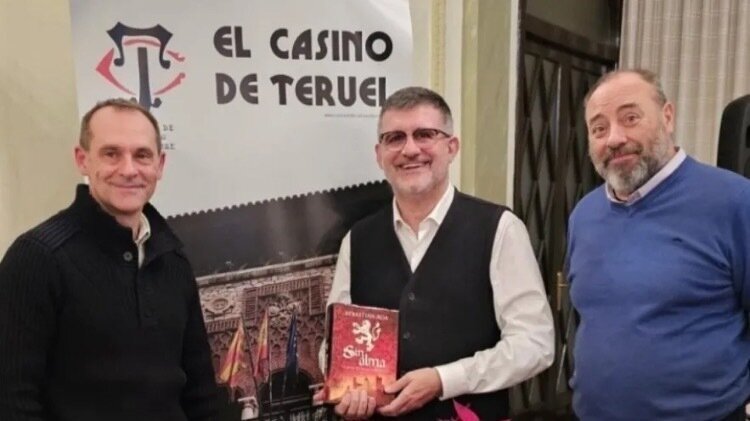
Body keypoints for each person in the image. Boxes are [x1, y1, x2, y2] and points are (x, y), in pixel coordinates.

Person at [315, 87, 554, 420]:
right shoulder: (356, 240)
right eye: (395, 138)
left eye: (425, 134)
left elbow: (535, 344)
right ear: (379, 154)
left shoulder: (500, 228)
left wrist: (444, 380)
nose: (410, 149)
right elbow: (334, 346)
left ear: (451, 147)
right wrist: (347, 389)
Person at [0, 99, 220, 420]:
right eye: (111, 153)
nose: (128, 170)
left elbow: (202, 395)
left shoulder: (173, 261)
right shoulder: (36, 258)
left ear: (159, 165)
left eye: (142, 155)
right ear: (82, 160)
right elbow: (11, 401)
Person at [566, 69, 750, 420]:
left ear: (668, 117)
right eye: (599, 128)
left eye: (630, 118)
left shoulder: (734, 202)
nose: (614, 138)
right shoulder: (584, 215)